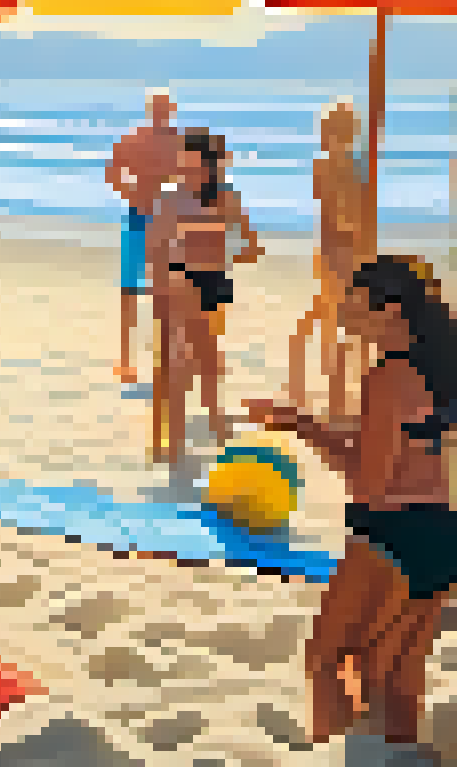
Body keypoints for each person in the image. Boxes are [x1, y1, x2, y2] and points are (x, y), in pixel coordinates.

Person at [247, 256, 457, 751]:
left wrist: (309, 434)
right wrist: (304, 425)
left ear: (389, 312)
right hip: (441, 533)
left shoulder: (388, 376)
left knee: (328, 658)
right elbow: (400, 457)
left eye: (354, 303)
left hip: (391, 536)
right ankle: (401, 754)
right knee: (398, 673)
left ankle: (332, 750)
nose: (343, 312)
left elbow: (371, 481)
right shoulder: (436, 371)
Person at [151, 129, 262, 455]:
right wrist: (159, 286)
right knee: (176, 361)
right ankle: (169, 440)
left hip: (215, 280)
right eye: (183, 159)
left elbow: (252, 245)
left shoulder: (226, 195)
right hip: (179, 278)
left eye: (192, 159)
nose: (185, 165)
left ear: (208, 163)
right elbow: (157, 245)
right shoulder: (171, 195)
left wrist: (224, 249)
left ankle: (213, 426)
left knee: (209, 360)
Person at [292, 101, 368, 419]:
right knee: (342, 328)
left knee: (333, 325)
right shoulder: (329, 166)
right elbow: (340, 215)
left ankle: (314, 390)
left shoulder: (351, 165)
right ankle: (335, 402)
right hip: (337, 255)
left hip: (341, 254)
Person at [106, 90, 178, 387]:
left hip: (165, 219)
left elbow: (194, 178)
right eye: (160, 110)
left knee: (164, 292)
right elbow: (113, 172)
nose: (164, 115)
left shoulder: (177, 142)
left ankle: (159, 361)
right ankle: (126, 360)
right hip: (140, 216)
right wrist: (132, 192)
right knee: (131, 291)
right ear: (152, 111)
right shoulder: (136, 139)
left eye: (166, 110)